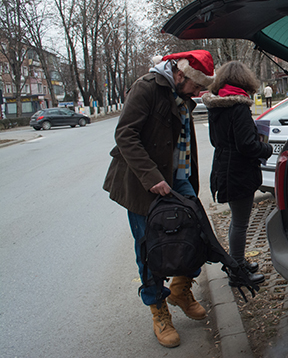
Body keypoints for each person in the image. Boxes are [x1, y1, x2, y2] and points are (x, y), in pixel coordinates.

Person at [103, 49, 214, 348]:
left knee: (199, 235)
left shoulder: (183, 95)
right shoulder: (147, 88)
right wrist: (153, 178)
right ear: (180, 74)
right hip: (143, 183)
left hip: (178, 179)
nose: (199, 92)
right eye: (196, 85)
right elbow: (125, 135)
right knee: (150, 250)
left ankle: (180, 290)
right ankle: (158, 309)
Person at [202, 61, 273, 286]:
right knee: (241, 223)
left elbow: (216, 141)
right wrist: (266, 148)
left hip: (224, 169)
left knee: (236, 220)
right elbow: (246, 145)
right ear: (244, 80)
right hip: (239, 173)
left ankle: (236, 262)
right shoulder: (239, 107)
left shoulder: (216, 106)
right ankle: (238, 272)